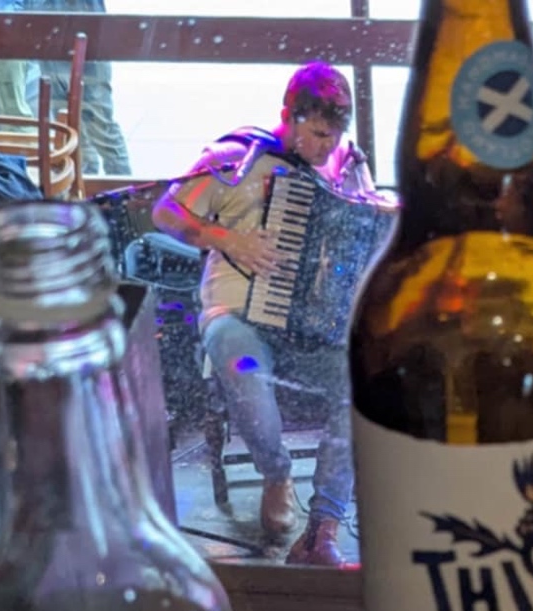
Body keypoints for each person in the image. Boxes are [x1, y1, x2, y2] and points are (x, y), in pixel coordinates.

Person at [152, 62, 378, 566]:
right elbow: (165, 211)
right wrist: (226, 238)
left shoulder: (348, 164)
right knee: (240, 362)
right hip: (238, 314)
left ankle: (324, 523)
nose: (326, 147)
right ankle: (277, 474)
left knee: (362, 380)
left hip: (317, 327)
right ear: (288, 116)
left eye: (334, 135)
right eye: (317, 134)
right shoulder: (236, 157)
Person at [22, 0, 132, 176]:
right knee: (70, 130)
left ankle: (122, 186)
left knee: (101, 128)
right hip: (49, 45)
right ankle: (85, 183)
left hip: (85, 44)